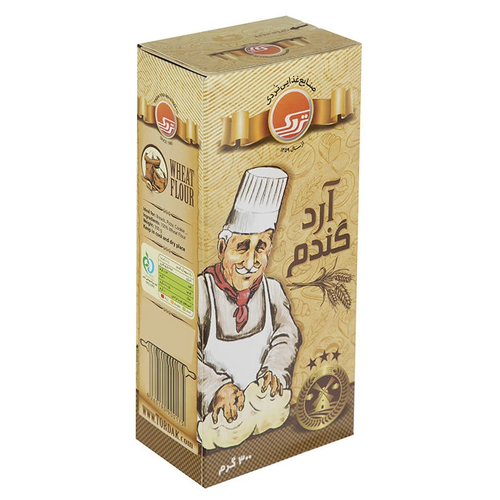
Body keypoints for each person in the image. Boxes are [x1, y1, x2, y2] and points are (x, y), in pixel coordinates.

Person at [197, 166, 302, 425]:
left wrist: (275, 370)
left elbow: (287, 335)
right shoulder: (201, 292)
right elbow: (183, 352)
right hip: (215, 422)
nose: (250, 262)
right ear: (222, 248)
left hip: (262, 418)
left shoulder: (272, 291)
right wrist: (215, 388)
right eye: (242, 247)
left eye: (261, 248)